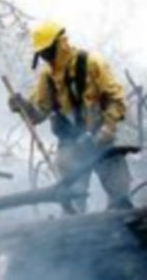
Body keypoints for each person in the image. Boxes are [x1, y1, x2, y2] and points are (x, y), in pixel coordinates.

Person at [9, 20, 134, 212]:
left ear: (60, 44)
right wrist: (23, 107)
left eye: (48, 52)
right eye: (41, 54)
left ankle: (124, 233)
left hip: (103, 141)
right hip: (71, 146)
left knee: (120, 200)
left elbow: (115, 99)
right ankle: (75, 236)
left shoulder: (92, 63)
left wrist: (108, 129)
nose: (46, 58)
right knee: (72, 204)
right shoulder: (47, 77)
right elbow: (38, 114)